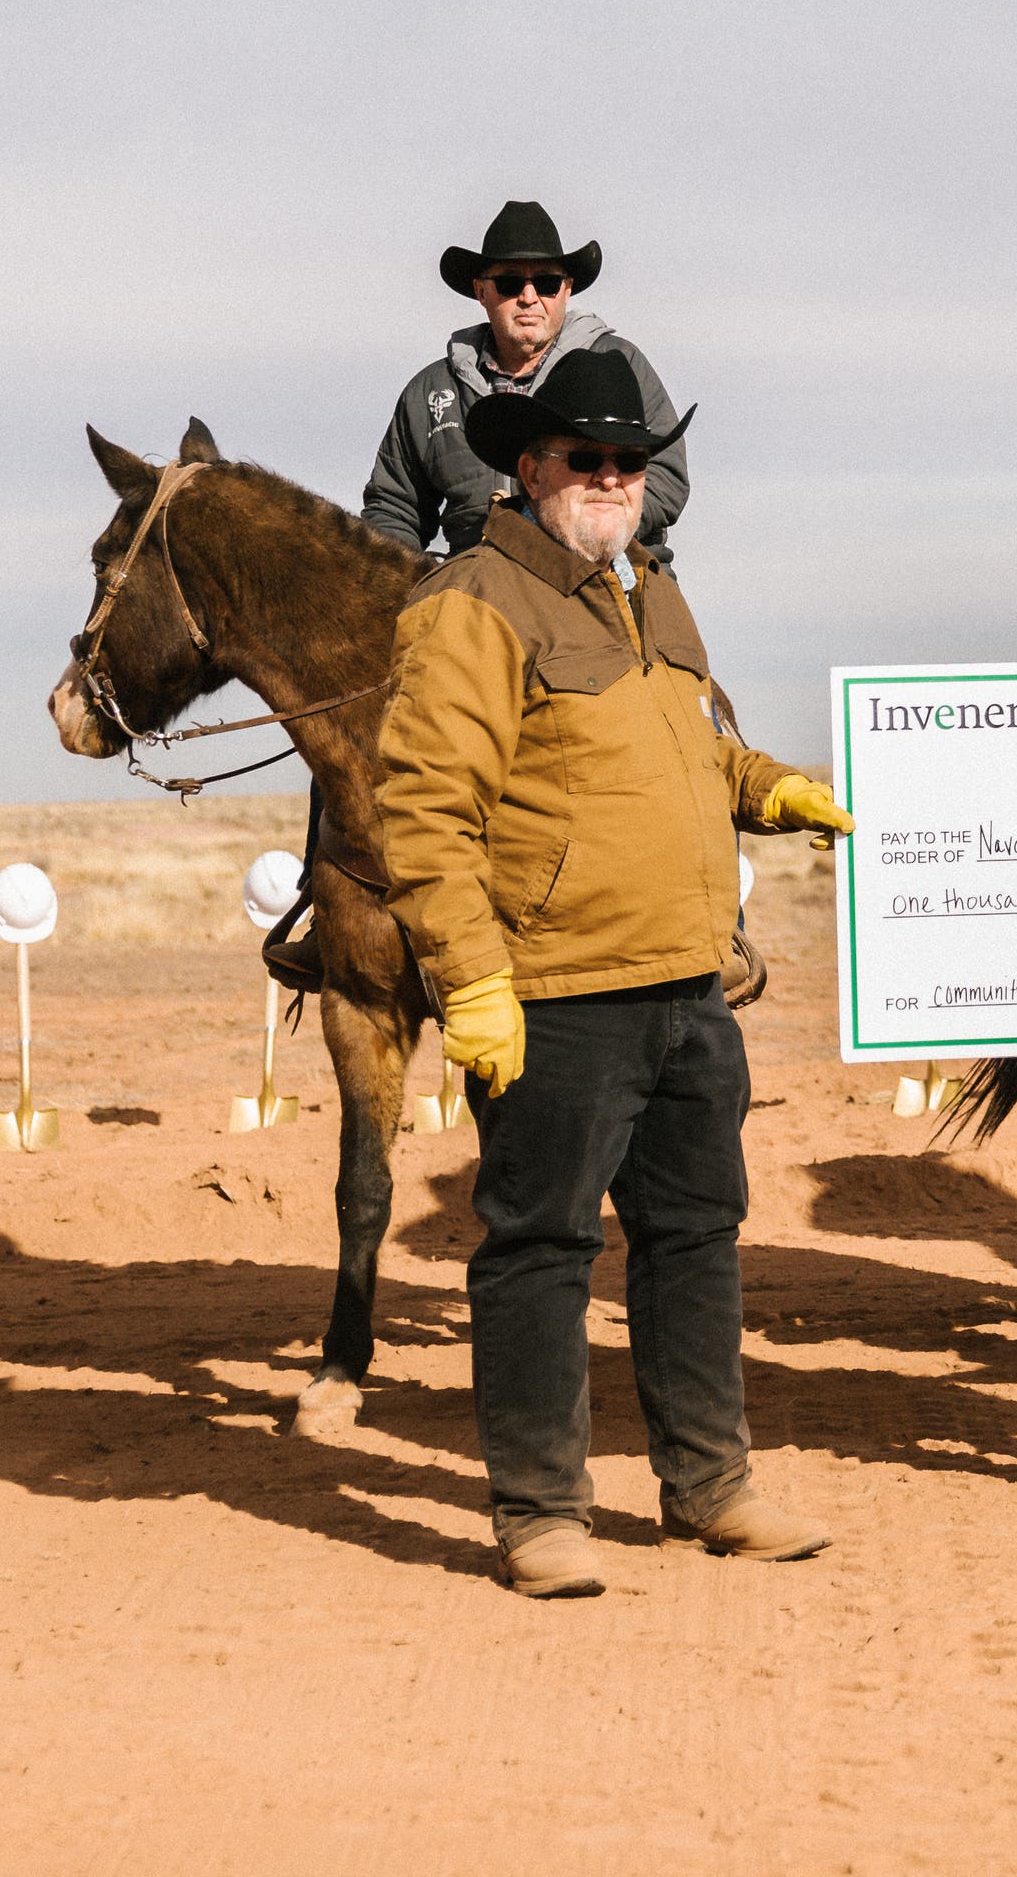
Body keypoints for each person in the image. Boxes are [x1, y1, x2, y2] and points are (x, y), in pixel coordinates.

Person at [375, 341, 855, 1598]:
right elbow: (424, 809)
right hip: (555, 991)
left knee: (697, 1235)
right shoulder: (475, 601)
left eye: (629, 462)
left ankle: (711, 1485)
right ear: (529, 467)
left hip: (688, 980)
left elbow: (693, 743)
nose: (610, 478)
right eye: (585, 458)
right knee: (540, 1246)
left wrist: (771, 788)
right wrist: (472, 980)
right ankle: (541, 1513)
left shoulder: (651, 589)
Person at [364, 199, 694, 572]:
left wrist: (577, 529)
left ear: (567, 290)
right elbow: (394, 508)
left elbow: (666, 476)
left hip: (610, 575)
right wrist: (409, 586)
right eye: (509, 283)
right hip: (477, 585)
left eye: (547, 282)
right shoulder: (431, 392)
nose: (528, 296)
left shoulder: (619, 365)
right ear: (481, 291)